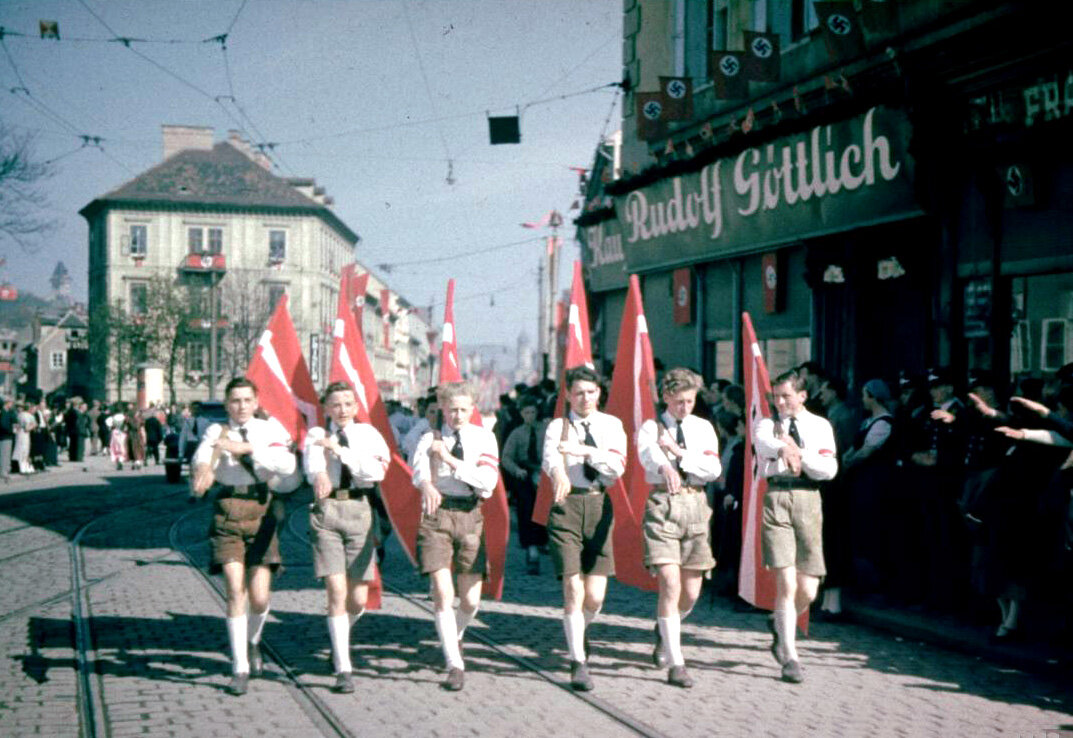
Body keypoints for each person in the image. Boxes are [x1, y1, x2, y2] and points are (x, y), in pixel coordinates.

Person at [191, 377, 297, 696]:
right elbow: (201, 460)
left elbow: (287, 465)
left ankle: (253, 641)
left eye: (246, 400)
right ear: (226, 404)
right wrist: (200, 475)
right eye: (235, 401)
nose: (241, 406)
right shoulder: (215, 431)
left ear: (256, 401)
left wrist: (248, 448)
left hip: (262, 510)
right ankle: (239, 666)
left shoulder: (270, 429)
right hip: (227, 510)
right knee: (235, 590)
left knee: (260, 596)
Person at [411, 381, 500, 692]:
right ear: (443, 411)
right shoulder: (429, 438)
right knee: (442, 591)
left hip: (471, 516)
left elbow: (487, 481)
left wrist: (449, 460)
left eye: (463, 410)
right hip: (437, 517)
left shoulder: (484, 438)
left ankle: (455, 634)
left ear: (472, 409)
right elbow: (418, 469)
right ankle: (454, 663)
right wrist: (426, 484)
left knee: (471, 600)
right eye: (452, 410)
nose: (457, 416)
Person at [542, 366, 627, 692]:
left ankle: (580, 630)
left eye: (590, 392)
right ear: (567, 395)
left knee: (594, 597)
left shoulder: (611, 425)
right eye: (578, 393)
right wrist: (559, 474)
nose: (585, 398)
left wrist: (586, 451)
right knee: (573, 590)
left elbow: (616, 467)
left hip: (599, 506)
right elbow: (551, 457)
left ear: (599, 393)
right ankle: (578, 661)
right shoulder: (558, 426)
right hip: (567, 507)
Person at [636, 368, 721, 688]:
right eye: (679, 401)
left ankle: (664, 627)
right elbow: (648, 455)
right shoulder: (651, 427)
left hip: (696, 505)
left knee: (690, 592)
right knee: (670, 584)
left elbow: (712, 469)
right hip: (663, 507)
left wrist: (680, 454)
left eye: (691, 400)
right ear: (666, 397)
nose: (686, 407)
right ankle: (676, 662)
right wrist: (663, 463)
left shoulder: (703, 428)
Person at [303, 381, 390, 693]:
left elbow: (375, 473)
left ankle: (339, 637)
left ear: (356, 407)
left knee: (357, 599)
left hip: (359, 512)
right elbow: (312, 461)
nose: (341, 410)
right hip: (327, 513)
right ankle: (343, 667)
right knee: (336, 591)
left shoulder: (368, 435)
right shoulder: (316, 434)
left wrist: (341, 451)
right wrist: (321, 473)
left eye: (347, 404)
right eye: (335, 405)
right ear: (326, 408)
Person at [754, 369, 837, 683]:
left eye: (786, 396)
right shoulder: (767, 424)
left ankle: (779, 622)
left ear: (802, 396)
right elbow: (763, 448)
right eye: (776, 396)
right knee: (786, 583)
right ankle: (790, 655)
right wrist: (782, 449)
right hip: (777, 498)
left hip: (808, 500)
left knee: (808, 588)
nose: (780, 402)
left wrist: (800, 453)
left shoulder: (819, 426)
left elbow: (828, 469)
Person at [501, 396, 548, 574]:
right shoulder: (517, 433)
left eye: (533, 412)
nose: (530, 416)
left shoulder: (546, 430)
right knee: (526, 512)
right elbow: (506, 457)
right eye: (526, 412)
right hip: (525, 475)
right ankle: (531, 550)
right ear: (521, 414)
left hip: (545, 475)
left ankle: (544, 543)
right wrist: (516, 470)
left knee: (545, 512)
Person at [14, 403, 35, 475]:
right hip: (25, 435)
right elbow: (27, 428)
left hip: (19, 434)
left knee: (21, 451)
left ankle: (22, 468)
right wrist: (33, 426)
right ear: (29, 409)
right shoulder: (28, 416)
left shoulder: (19, 415)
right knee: (25, 451)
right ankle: (24, 469)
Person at [0, 398, 16, 482]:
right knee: (4, 454)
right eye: (11, 403)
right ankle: (3, 472)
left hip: (8, 436)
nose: (12, 404)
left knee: (7, 454)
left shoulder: (8, 412)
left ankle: (5, 471)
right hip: (4, 436)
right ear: (7, 403)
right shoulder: (3, 412)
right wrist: (11, 430)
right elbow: (2, 425)